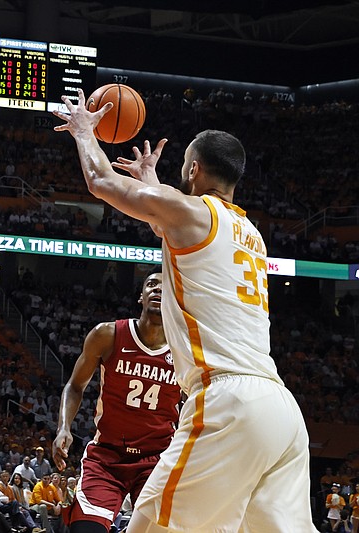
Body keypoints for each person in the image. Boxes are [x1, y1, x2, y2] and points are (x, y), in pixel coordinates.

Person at [54, 90, 316, 531]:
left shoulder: (191, 212)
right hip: (282, 411)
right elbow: (172, 223)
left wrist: (84, 131)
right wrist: (152, 183)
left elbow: (101, 182)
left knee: (151, 524)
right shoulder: (251, 233)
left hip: (227, 400)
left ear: (193, 169)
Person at [52, 272, 180, 533]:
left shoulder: (186, 350)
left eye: (166, 287)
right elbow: (75, 386)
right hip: (107, 457)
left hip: (159, 460)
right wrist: (63, 427)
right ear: (141, 296)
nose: (158, 289)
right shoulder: (107, 334)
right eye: (152, 285)